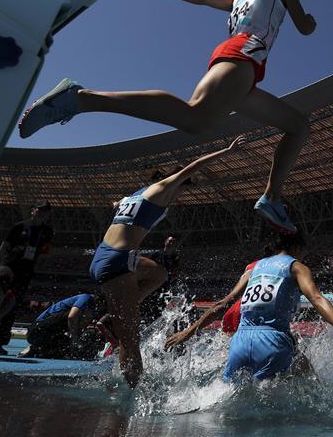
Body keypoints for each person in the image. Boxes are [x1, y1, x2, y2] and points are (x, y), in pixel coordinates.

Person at [18, 0, 318, 233]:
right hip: (244, 54)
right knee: (195, 115)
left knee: (295, 126)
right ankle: (81, 98)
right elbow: (304, 27)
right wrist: (311, 20)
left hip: (243, 62)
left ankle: (271, 198)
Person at [91, 136, 246, 387]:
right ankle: (136, 390)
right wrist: (226, 151)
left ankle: (116, 316)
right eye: (184, 188)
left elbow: (119, 205)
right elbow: (193, 167)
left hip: (112, 255)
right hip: (116, 262)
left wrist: (117, 204)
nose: (182, 195)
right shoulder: (162, 188)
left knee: (159, 274)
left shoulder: (137, 194)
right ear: (178, 183)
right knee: (131, 340)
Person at [166, 231, 333, 381]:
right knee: (305, 383)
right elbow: (317, 299)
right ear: (296, 248)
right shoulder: (296, 267)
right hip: (272, 342)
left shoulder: (254, 268)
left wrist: (188, 332)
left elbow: (223, 304)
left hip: (239, 343)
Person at [0, 200, 55, 354]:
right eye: (39, 210)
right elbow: (4, 247)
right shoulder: (19, 226)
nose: (42, 213)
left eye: (45, 211)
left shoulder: (47, 231)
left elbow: (45, 251)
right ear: (33, 210)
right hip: (10, 270)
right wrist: (4, 267)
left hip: (26, 273)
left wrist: (37, 264)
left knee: (12, 307)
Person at [20, 293, 104, 360]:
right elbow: (71, 317)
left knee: (68, 352)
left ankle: (38, 349)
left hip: (42, 334)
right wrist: (75, 338)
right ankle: (37, 347)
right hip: (37, 330)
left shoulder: (90, 307)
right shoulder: (86, 298)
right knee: (78, 315)